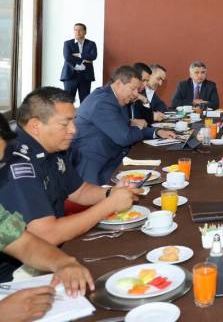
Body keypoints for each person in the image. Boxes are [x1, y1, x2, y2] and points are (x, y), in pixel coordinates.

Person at [0, 88, 142, 281]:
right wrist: (109, 205)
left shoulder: (53, 147)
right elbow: (47, 234)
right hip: (18, 271)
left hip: (52, 251)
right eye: (65, 123)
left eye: (73, 121)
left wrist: (111, 193)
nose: (74, 130)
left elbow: (80, 191)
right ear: (35, 126)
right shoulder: (18, 164)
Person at [72, 66, 176, 184]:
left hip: (111, 158)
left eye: (137, 90)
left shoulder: (115, 98)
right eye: (133, 89)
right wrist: (137, 127)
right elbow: (125, 137)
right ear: (118, 84)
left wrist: (156, 132)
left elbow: (126, 127)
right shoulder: (103, 102)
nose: (136, 94)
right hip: (97, 168)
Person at [59, 23, 97, 103]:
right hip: (70, 76)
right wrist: (83, 60)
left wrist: (79, 55)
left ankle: (82, 112)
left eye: (80, 30)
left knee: (85, 101)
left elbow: (93, 56)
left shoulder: (91, 44)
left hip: (85, 76)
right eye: (75, 30)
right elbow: (67, 57)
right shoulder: (68, 43)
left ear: (85, 32)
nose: (77, 32)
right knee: (68, 100)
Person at [129, 62, 155, 126]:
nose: (145, 84)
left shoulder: (140, 95)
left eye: (147, 81)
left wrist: (145, 100)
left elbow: (149, 121)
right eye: (143, 80)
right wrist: (130, 122)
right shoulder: (124, 96)